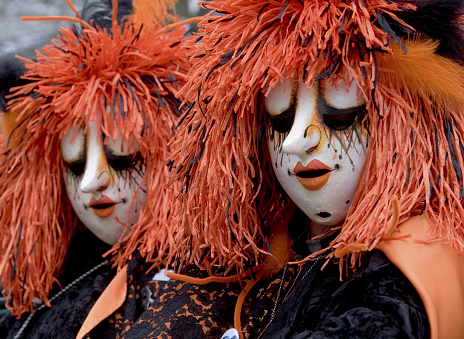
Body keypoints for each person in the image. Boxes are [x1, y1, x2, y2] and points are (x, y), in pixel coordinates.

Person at [165, 0, 464, 338]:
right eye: (280, 122)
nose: (295, 142)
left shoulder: (400, 278)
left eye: (340, 118)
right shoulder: (270, 247)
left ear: (411, 123)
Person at [0, 0, 190, 337]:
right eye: (75, 166)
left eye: (122, 159)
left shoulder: (207, 287)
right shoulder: (64, 278)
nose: (91, 182)